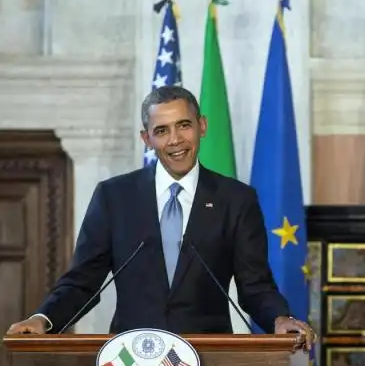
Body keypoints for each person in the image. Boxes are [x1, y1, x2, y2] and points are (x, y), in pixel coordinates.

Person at [7, 85, 314, 350]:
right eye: (162, 131)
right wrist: (42, 320)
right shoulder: (114, 197)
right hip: (131, 360)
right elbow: (83, 281)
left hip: (211, 357)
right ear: (146, 138)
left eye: (184, 125)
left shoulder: (235, 199)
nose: (175, 140)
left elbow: (255, 285)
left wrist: (280, 319)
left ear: (202, 126)